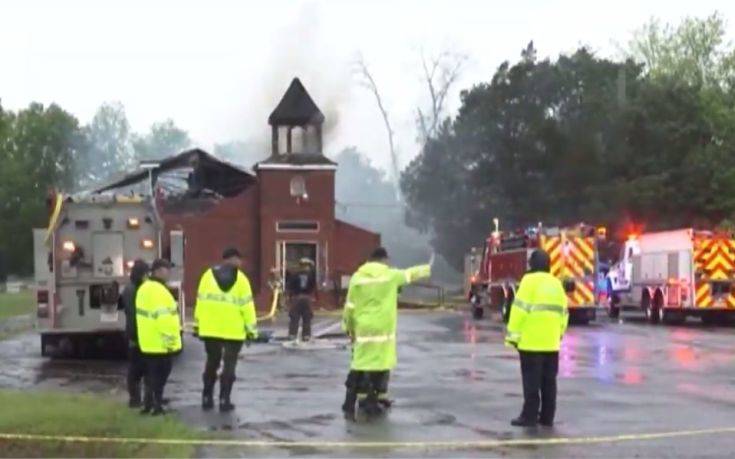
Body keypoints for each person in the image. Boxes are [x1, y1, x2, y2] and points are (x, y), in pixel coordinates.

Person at [341, 247, 431, 420]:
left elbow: (349, 308)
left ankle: (352, 401)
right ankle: (374, 400)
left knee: (360, 363)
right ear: (383, 260)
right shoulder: (390, 275)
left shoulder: (357, 278)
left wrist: (349, 329)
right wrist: (427, 268)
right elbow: (410, 274)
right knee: (381, 365)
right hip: (383, 329)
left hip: (363, 327)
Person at [505, 249, 569, 428]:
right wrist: (559, 334)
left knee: (531, 382)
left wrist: (512, 337)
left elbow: (519, 311)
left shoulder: (528, 281)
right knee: (549, 382)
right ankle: (547, 417)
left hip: (531, 343)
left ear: (532, 265)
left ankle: (529, 416)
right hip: (551, 343)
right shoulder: (556, 283)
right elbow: (564, 313)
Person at [195, 247, 258, 412]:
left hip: (210, 330)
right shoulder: (242, 280)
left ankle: (207, 397)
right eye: (240, 260)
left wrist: (198, 325)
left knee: (212, 362)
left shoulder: (207, 276)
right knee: (229, 366)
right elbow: (247, 307)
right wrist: (252, 331)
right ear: (235, 259)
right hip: (234, 331)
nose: (241, 263)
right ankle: (224, 399)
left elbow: (200, 302)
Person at [136, 258, 182, 415]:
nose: (168, 273)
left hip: (148, 341)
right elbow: (164, 320)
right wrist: (171, 344)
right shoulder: (159, 291)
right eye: (166, 270)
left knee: (150, 376)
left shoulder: (144, 288)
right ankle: (157, 406)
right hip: (160, 343)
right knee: (160, 377)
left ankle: (148, 405)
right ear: (157, 271)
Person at [118, 259, 149, 408]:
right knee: (137, 369)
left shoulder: (129, 288)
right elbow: (134, 314)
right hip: (137, 333)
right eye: (146, 274)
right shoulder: (135, 290)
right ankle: (136, 400)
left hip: (133, 333)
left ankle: (135, 399)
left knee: (135, 369)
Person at [286, 258, 316, 341]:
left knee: (294, 317)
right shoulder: (311, 275)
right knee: (307, 317)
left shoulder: (294, 275)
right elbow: (313, 286)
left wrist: (289, 296)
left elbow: (289, 286)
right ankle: (306, 335)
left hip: (296, 298)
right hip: (307, 298)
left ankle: (292, 334)